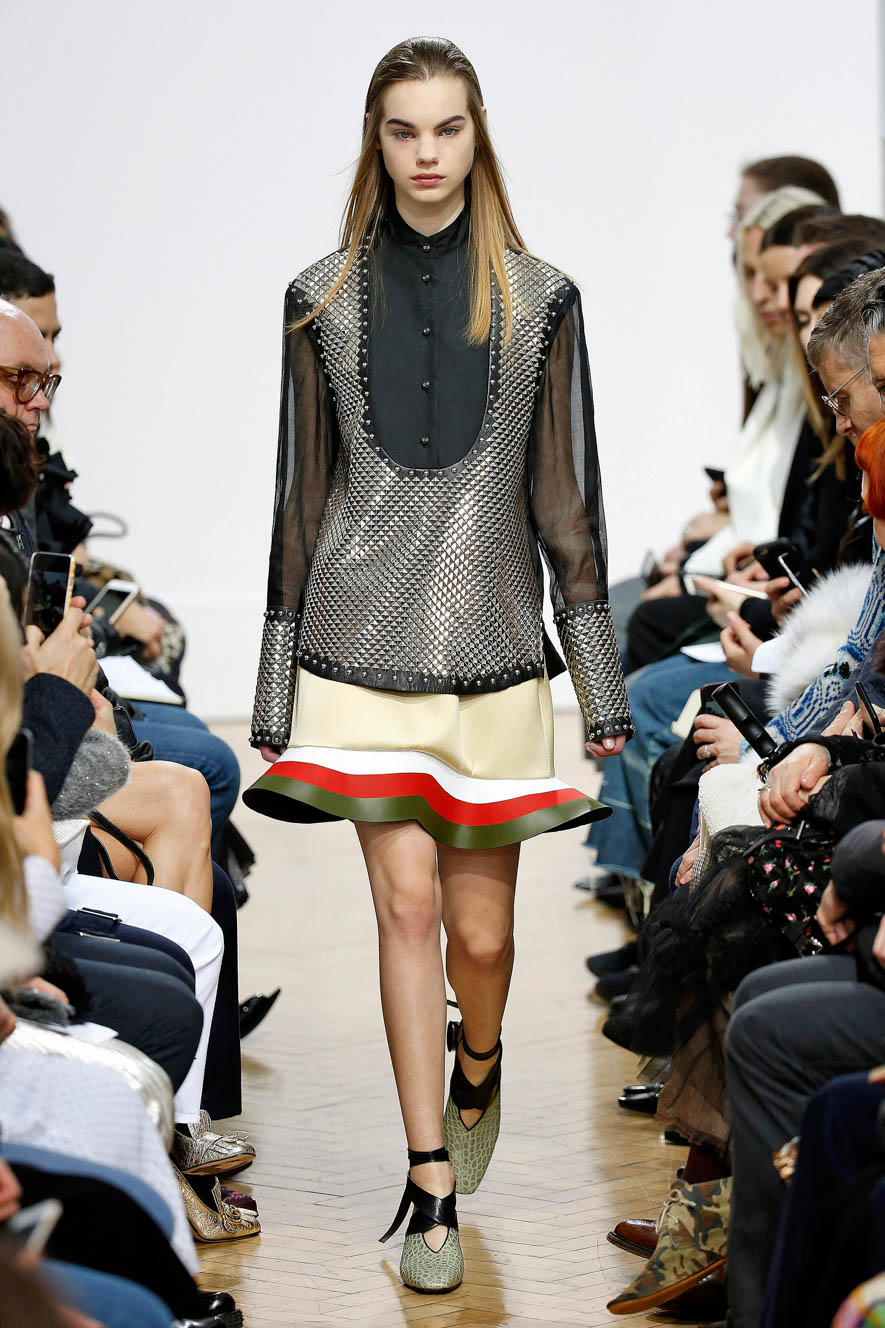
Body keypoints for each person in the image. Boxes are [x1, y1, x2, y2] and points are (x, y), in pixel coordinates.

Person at [244, 36, 631, 1294]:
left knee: (484, 935)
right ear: (376, 138)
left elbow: (567, 502)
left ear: (477, 135)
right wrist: (274, 683)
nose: (425, 153)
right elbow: (299, 500)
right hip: (357, 649)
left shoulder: (541, 299)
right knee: (405, 907)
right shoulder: (319, 299)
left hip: (494, 659)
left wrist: (600, 683)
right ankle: (428, 1180)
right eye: (403, 129)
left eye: (446, 128)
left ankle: (481, 1056)